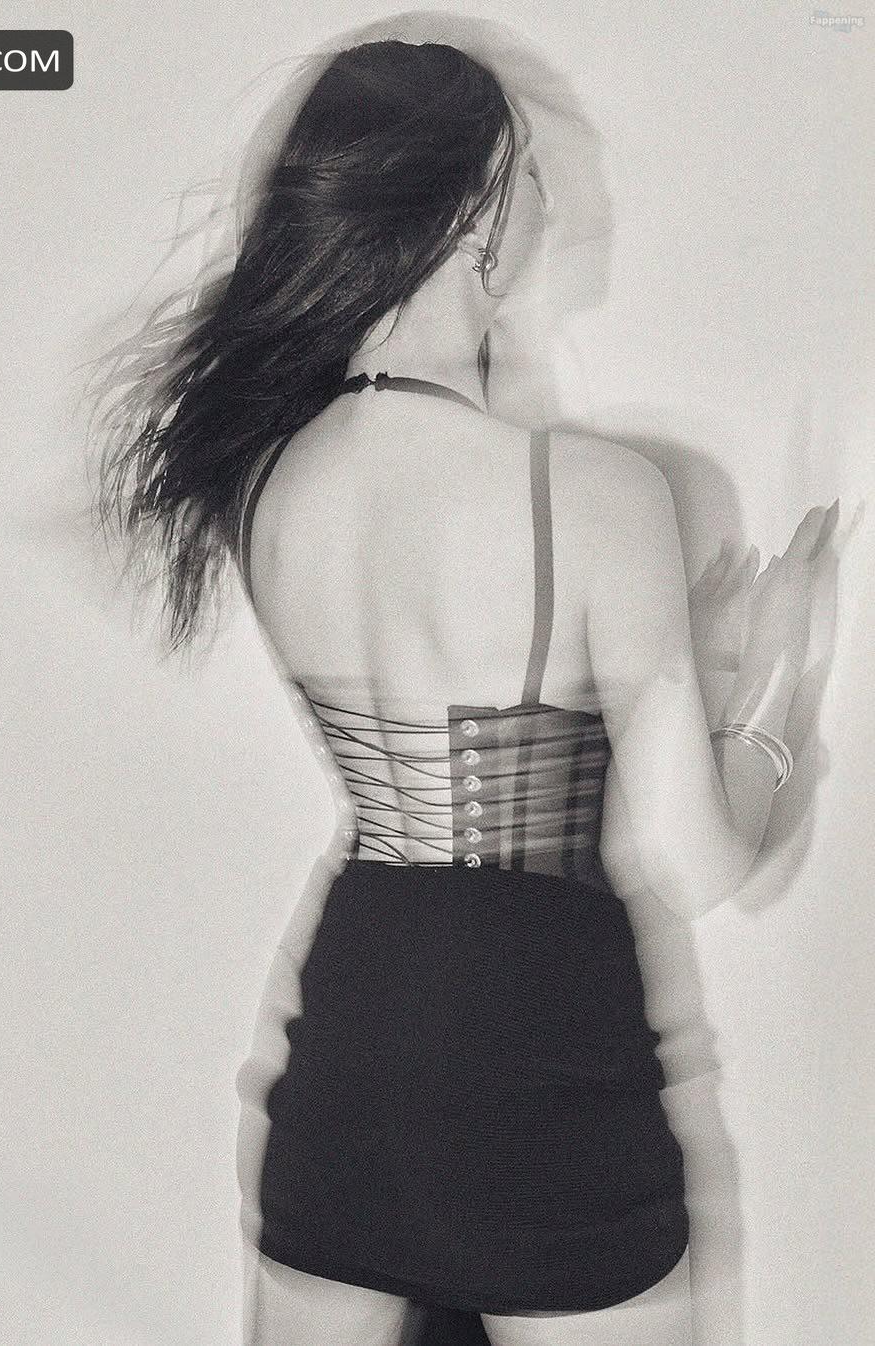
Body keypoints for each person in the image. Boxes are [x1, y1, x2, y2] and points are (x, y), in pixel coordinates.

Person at [89, 28, 839, 1346]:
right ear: (477, 213)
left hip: (348, 1059)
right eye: (531, 172)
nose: (551, 202)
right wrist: (775, 691)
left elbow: (462, 726)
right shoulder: (595, 495)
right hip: (541, 1058)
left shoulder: (267, 482)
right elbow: (700, 858)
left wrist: (682, 649)